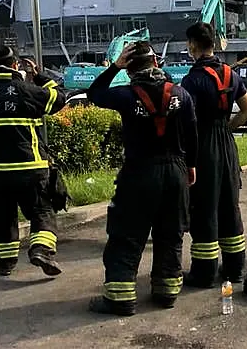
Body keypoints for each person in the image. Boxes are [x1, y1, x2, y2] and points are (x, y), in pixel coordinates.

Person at [86, 42, 197, 314]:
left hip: (139, 172)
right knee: (171, 232)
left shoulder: (125, 96)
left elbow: (94, 94)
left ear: (130, 68)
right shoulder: (181, 94)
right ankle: (166, 292)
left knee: (127, 233)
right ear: (156, 62)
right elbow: (192, 135)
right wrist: (191, 166)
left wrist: (114, 66)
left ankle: (120, 297)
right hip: (175, 171)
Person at [0, 45, 66, 276]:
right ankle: (41, 249)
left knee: (3, 216)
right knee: (41, 211)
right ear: (15, 64)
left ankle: (5, 261)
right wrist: (40, 77)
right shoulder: (26, 90)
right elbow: (59, 99)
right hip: (31, 169)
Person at [180, 22, 247, 288]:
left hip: (204, 146)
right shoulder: (231, 75)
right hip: (226, 143)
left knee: (204, 207)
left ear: (193, 45)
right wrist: (227, 128)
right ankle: (235, 269)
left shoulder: (192, 80)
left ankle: (204, 272)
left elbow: (185, 120)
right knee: (229, 204)